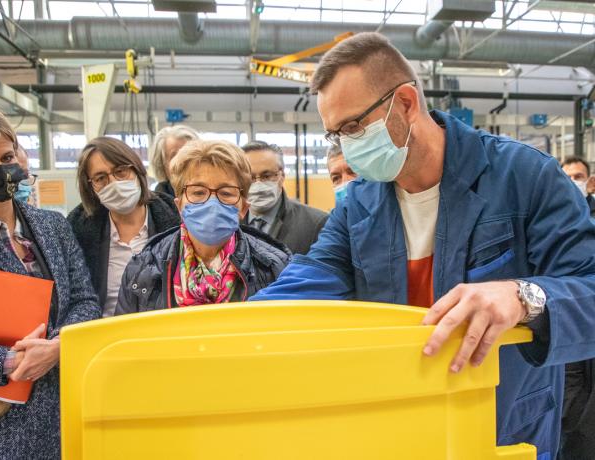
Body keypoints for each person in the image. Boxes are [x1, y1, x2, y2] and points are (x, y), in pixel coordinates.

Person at [250, 32, 595, 459]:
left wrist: (524, 296)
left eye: (354, 127)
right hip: (401, 426)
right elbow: (311, 278)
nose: (348, 147)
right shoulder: (360, 205)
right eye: (335, 135)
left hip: (503, 428)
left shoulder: (524, 177)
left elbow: (589, 289)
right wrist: (229, 327)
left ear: (408, 103)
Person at [0, 101, 100, 458]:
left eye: (5, 158)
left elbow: (84, 301)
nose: (0, 171)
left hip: (63, 414)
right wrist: (5, 362)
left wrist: (61, 346)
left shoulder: (52, 226)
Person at [116, 140, 290, 314]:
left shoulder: (274, 268)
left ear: (244, 208)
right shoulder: (142, 268)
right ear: (179, 205)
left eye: (226, 193)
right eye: (198, 192)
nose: (212, 203)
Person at [68, 137, 180, 318]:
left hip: (160, 334)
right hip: (102, 335)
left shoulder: (175, 218)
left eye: (121, 171)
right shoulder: (78, 229)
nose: (114, 183)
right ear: (91, 187)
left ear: (136, 170)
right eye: (100, 178)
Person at [559, 155, 595, 459]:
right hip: (570, 348)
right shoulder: (553, 226)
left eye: (579, 176)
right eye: (567, 177)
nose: (574, 183)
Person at [242, 140, 328, 255]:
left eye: (267, 176)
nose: (258, 184)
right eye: (250, 177)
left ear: (282, 176)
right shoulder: (230, 223)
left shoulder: (315, 224)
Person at [150, 124, 200, 196]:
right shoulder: (155, 204)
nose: (184, 161)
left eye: (190, 154)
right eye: (175, 156)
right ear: (162, 165)